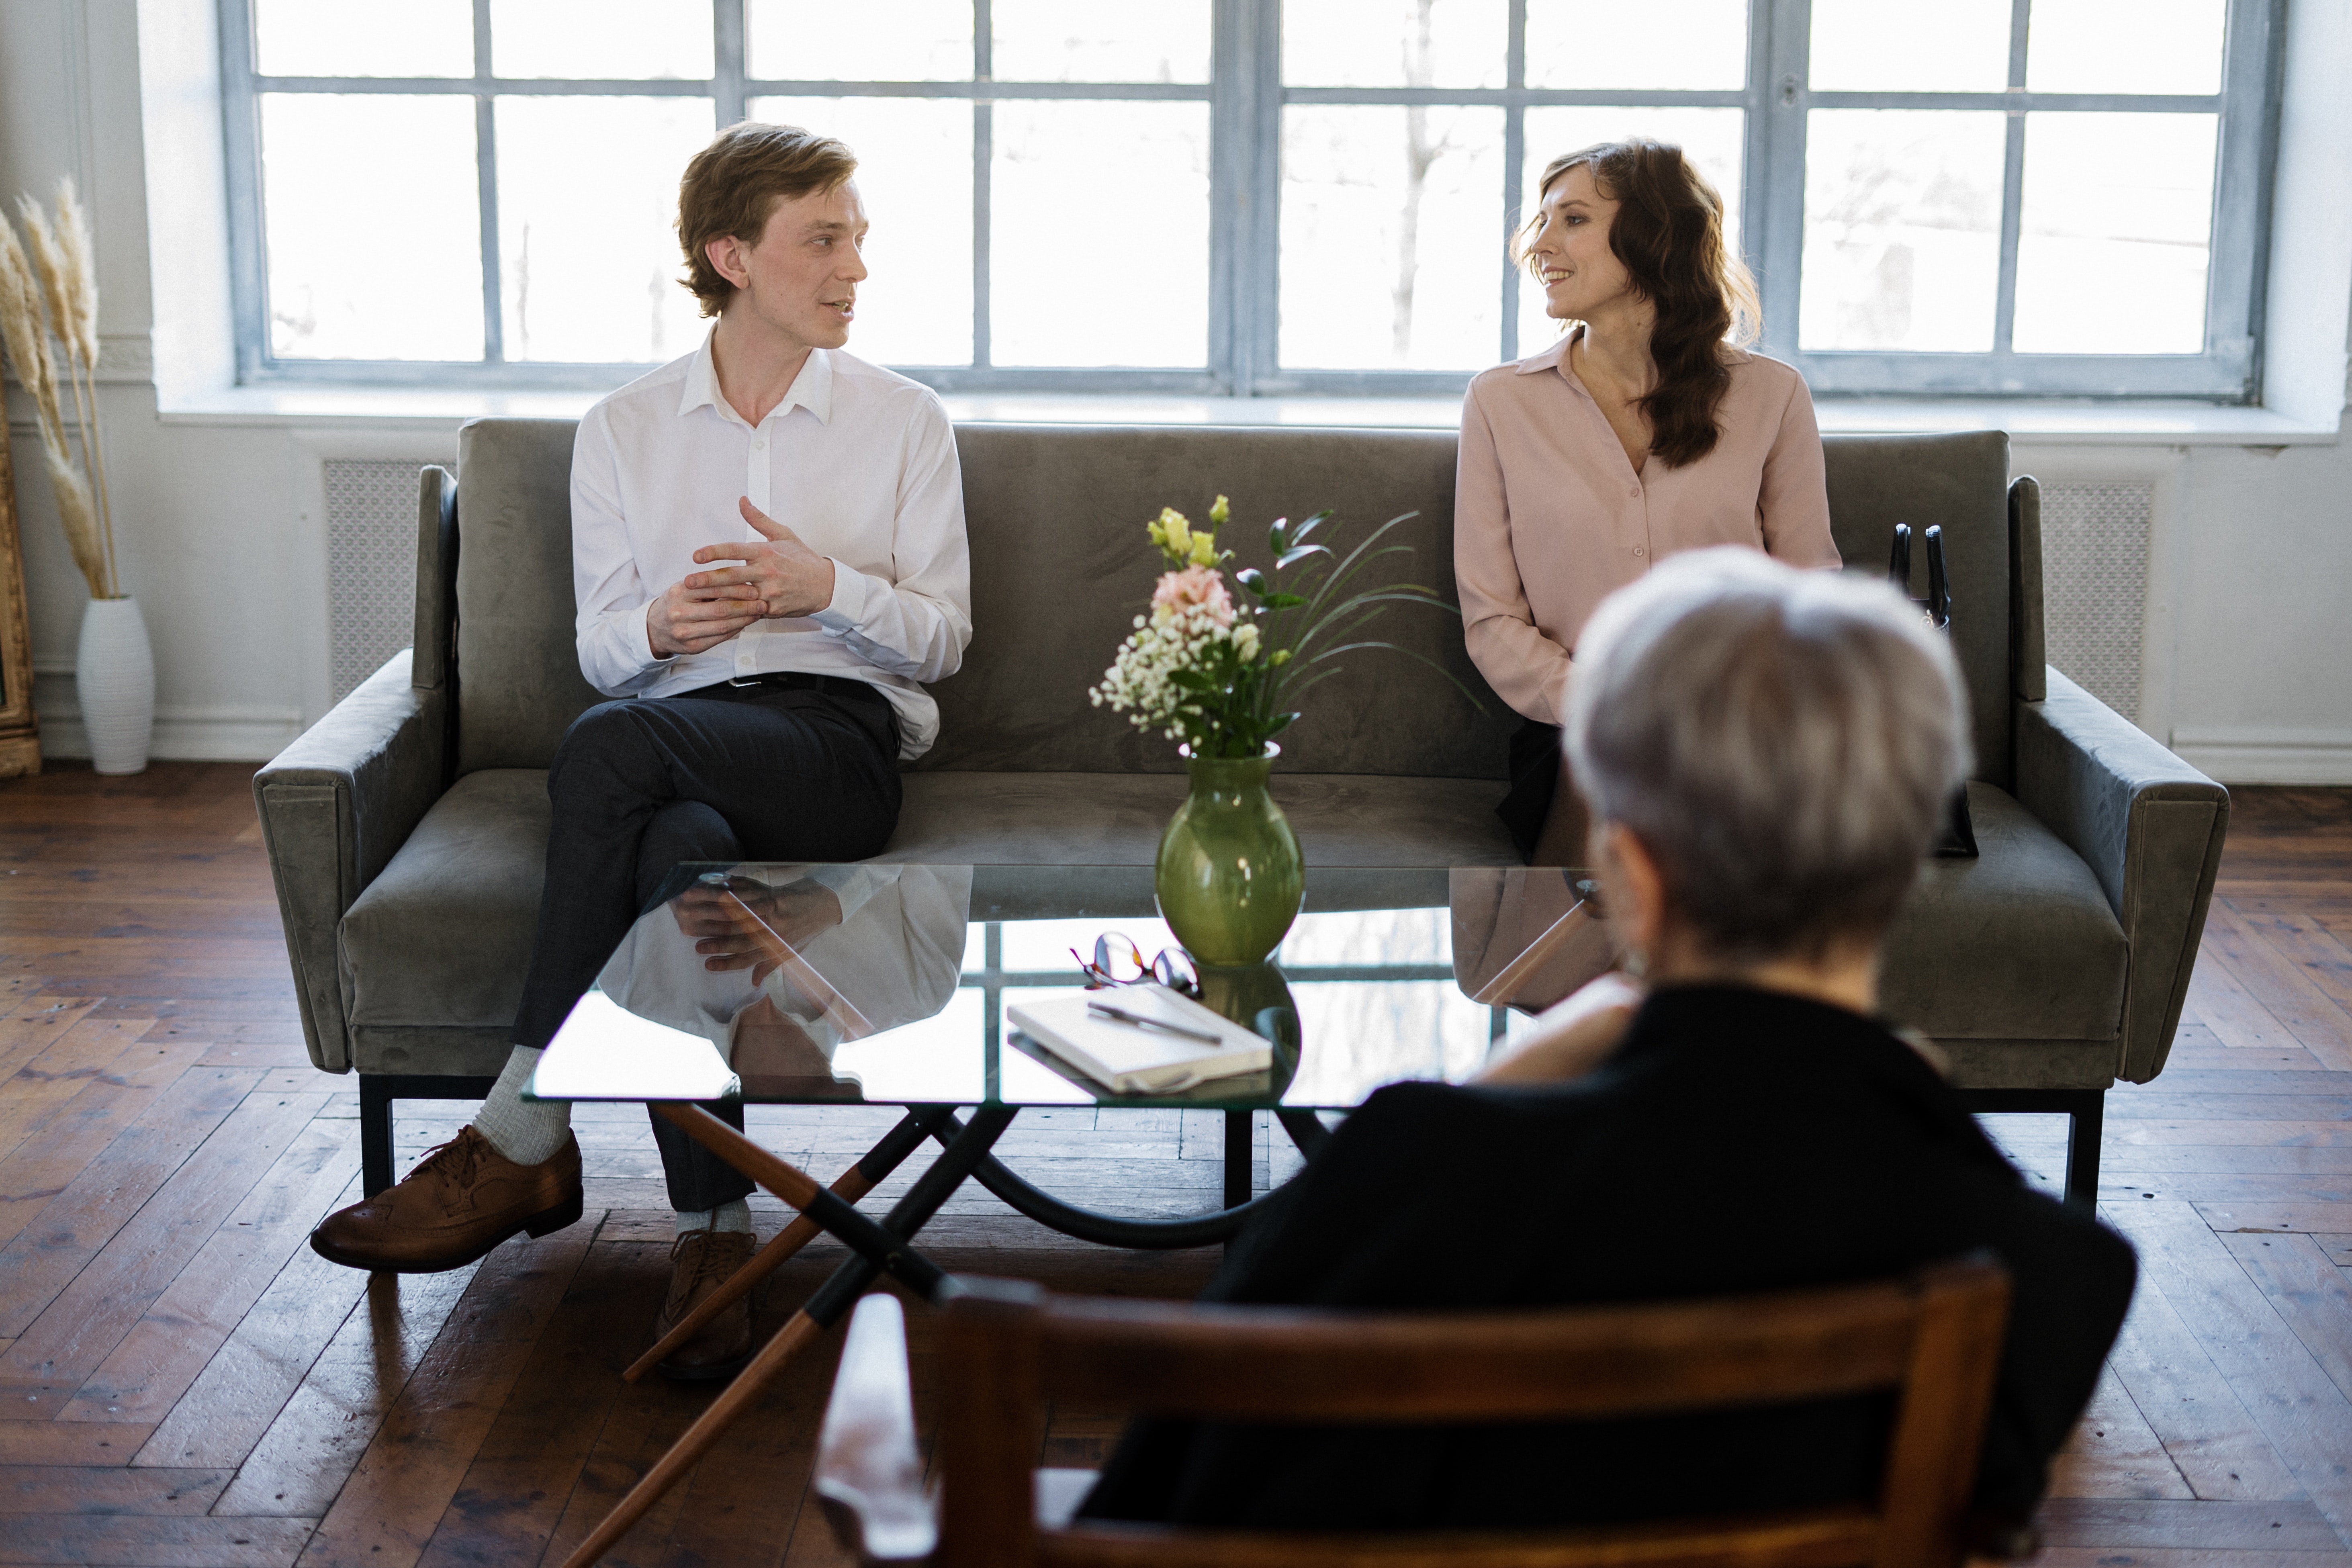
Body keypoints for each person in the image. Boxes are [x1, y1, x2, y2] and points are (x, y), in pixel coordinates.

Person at [1080, 549, 2135, 1548]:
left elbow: (1168, 1482)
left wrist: (1473, 1095)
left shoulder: (1413, 1178)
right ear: (1904, 868)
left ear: (1627, 873)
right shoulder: (2046, 1278)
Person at [307, 123, 973, 1382]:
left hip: (836, 749)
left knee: (611, 750)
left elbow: (939, 643)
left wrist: (822, 586)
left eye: (857, 240)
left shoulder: (903, 421)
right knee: (677, 849)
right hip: (677, 741)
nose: (853, 269)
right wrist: (663, 625)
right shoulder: (623, 428)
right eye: (822, 240)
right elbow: (608, 648)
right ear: (731, 254)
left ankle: (521, 1129)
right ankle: (715, 1234)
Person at [1456, 138, 1841, 865]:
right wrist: (1609, 706)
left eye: (1571, 220)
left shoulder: (1772, 396)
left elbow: (1809, 594)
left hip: (1734, 728)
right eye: (1540, 223)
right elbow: (1491, 618)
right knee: (1619, 790)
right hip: (1576, 729)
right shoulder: (1500, 403)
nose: (1540, 245)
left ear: (1653, 236)